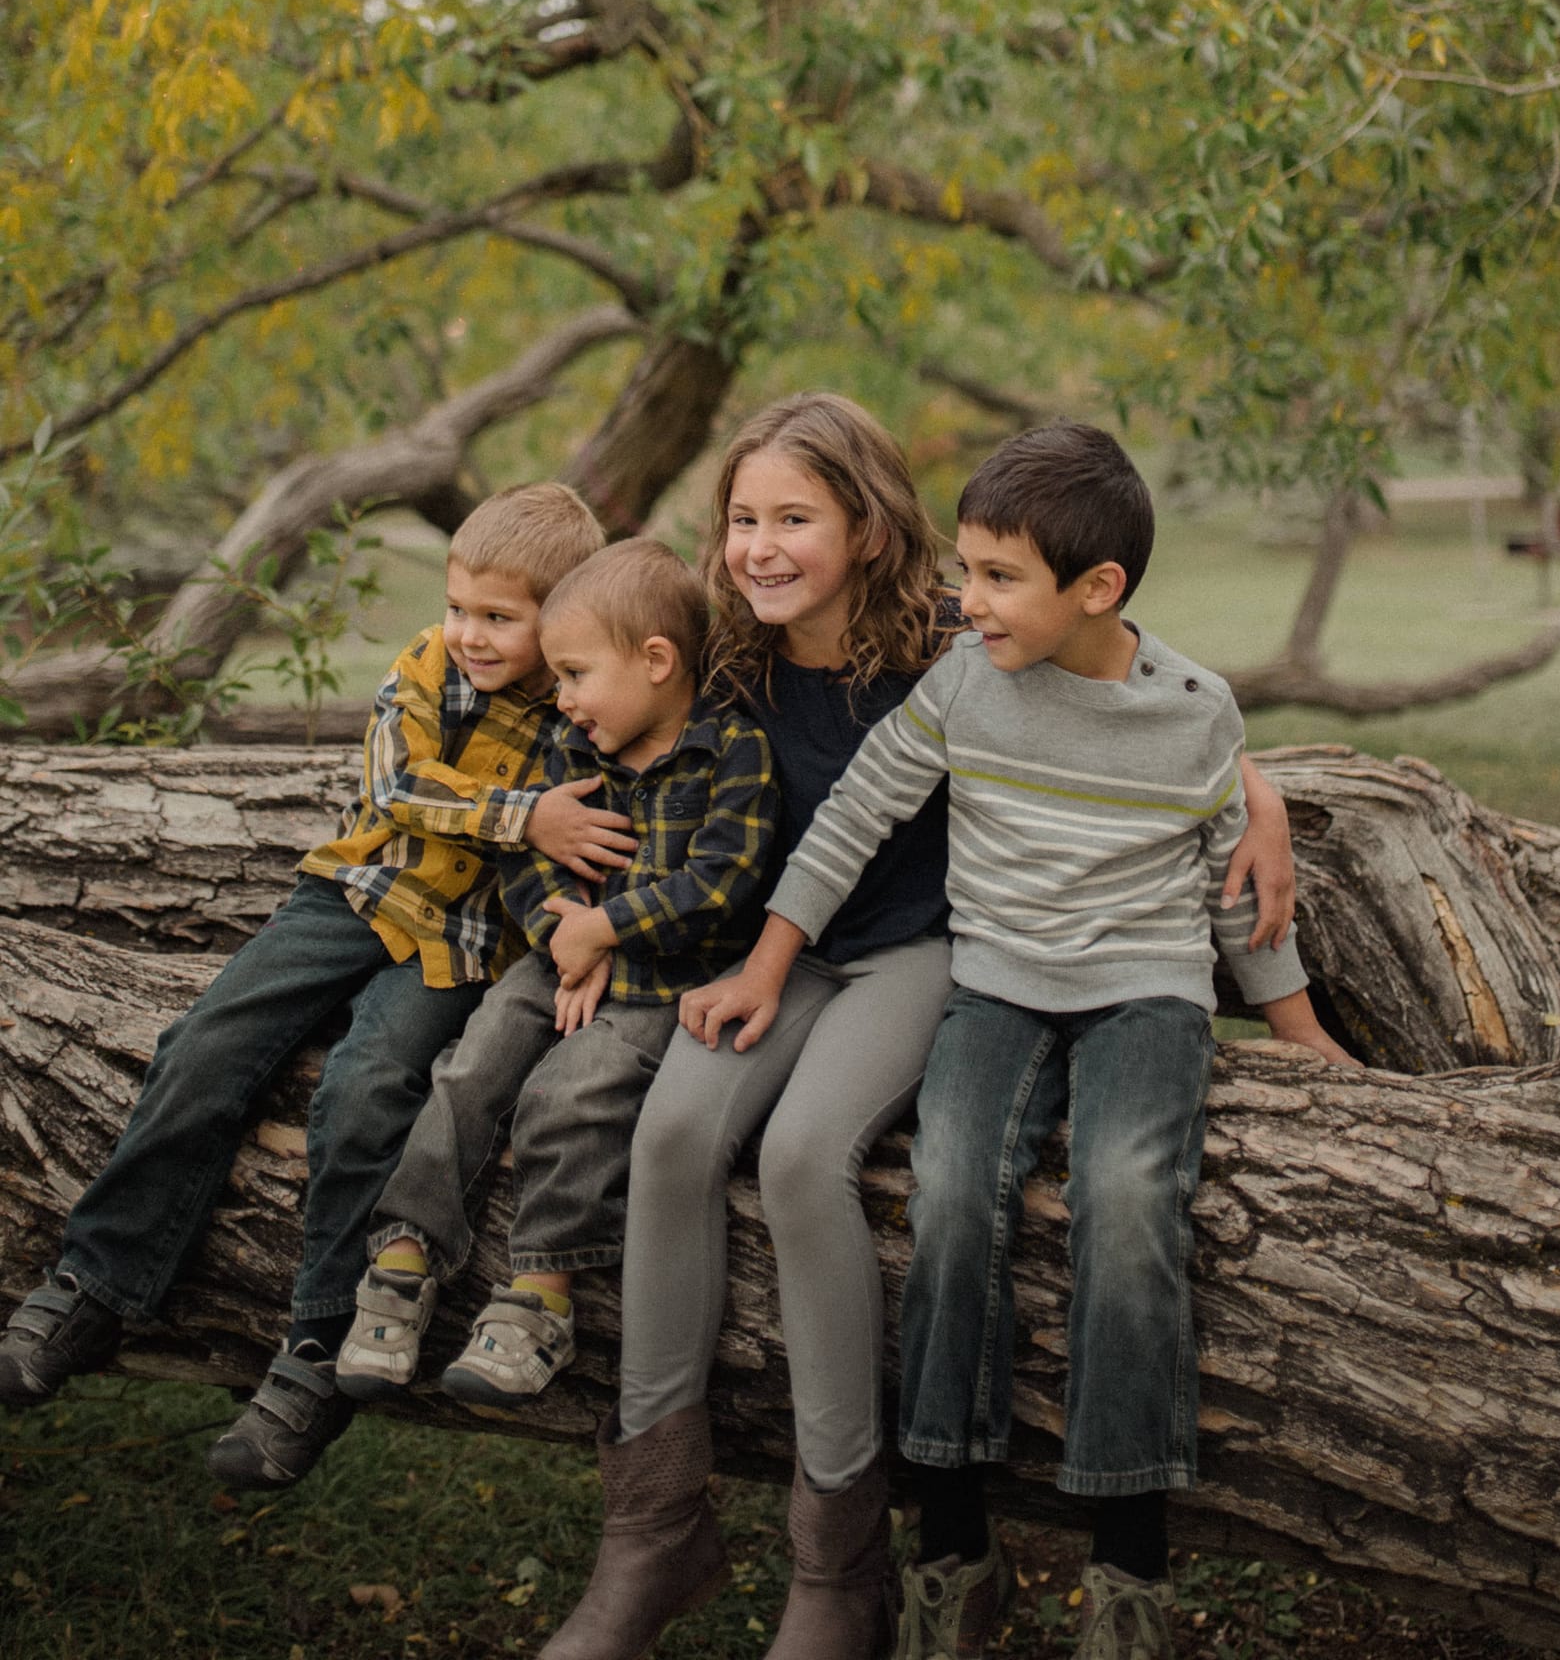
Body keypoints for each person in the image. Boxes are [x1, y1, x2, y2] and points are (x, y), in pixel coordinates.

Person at [540, 394, 1302, 1660]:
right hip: (778, 952)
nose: (759, 546)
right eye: (742, 519)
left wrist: (1250, 780)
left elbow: (1120, 668)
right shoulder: (724, 648)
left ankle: (839, 1561)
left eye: (795, 518)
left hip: (922, 953)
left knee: (801, 1159)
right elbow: (584, 673)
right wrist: (530, 822)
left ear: (870, 528)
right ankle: (652, 1526)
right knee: (673, 1136)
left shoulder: (954, 637)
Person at [0, 481, 621, 1489]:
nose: (467, 632)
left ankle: (319, 1350)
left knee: (369, 1090)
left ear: (562, 619)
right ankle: (98, 1279)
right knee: (207, 1045)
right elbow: (395, 786)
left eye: (498, 618)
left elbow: (569, 855)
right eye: (460, 606)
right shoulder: (427, 663)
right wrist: (521, 816)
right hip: (354, 892)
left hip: (459, 944)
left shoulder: (577, 711)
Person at [333, 539, 778, 1413]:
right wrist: (562, 932)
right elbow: (529, 864)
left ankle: (541, 1299)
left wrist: (604, 931)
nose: (562, 698)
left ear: (657, 662)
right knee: (471, 1067)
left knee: (574, 1095)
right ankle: (403, 1257)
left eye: (575, 674)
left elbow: (724, 885)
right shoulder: (579, 751)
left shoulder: (735, 752)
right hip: (557, 959)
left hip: (663, 981)